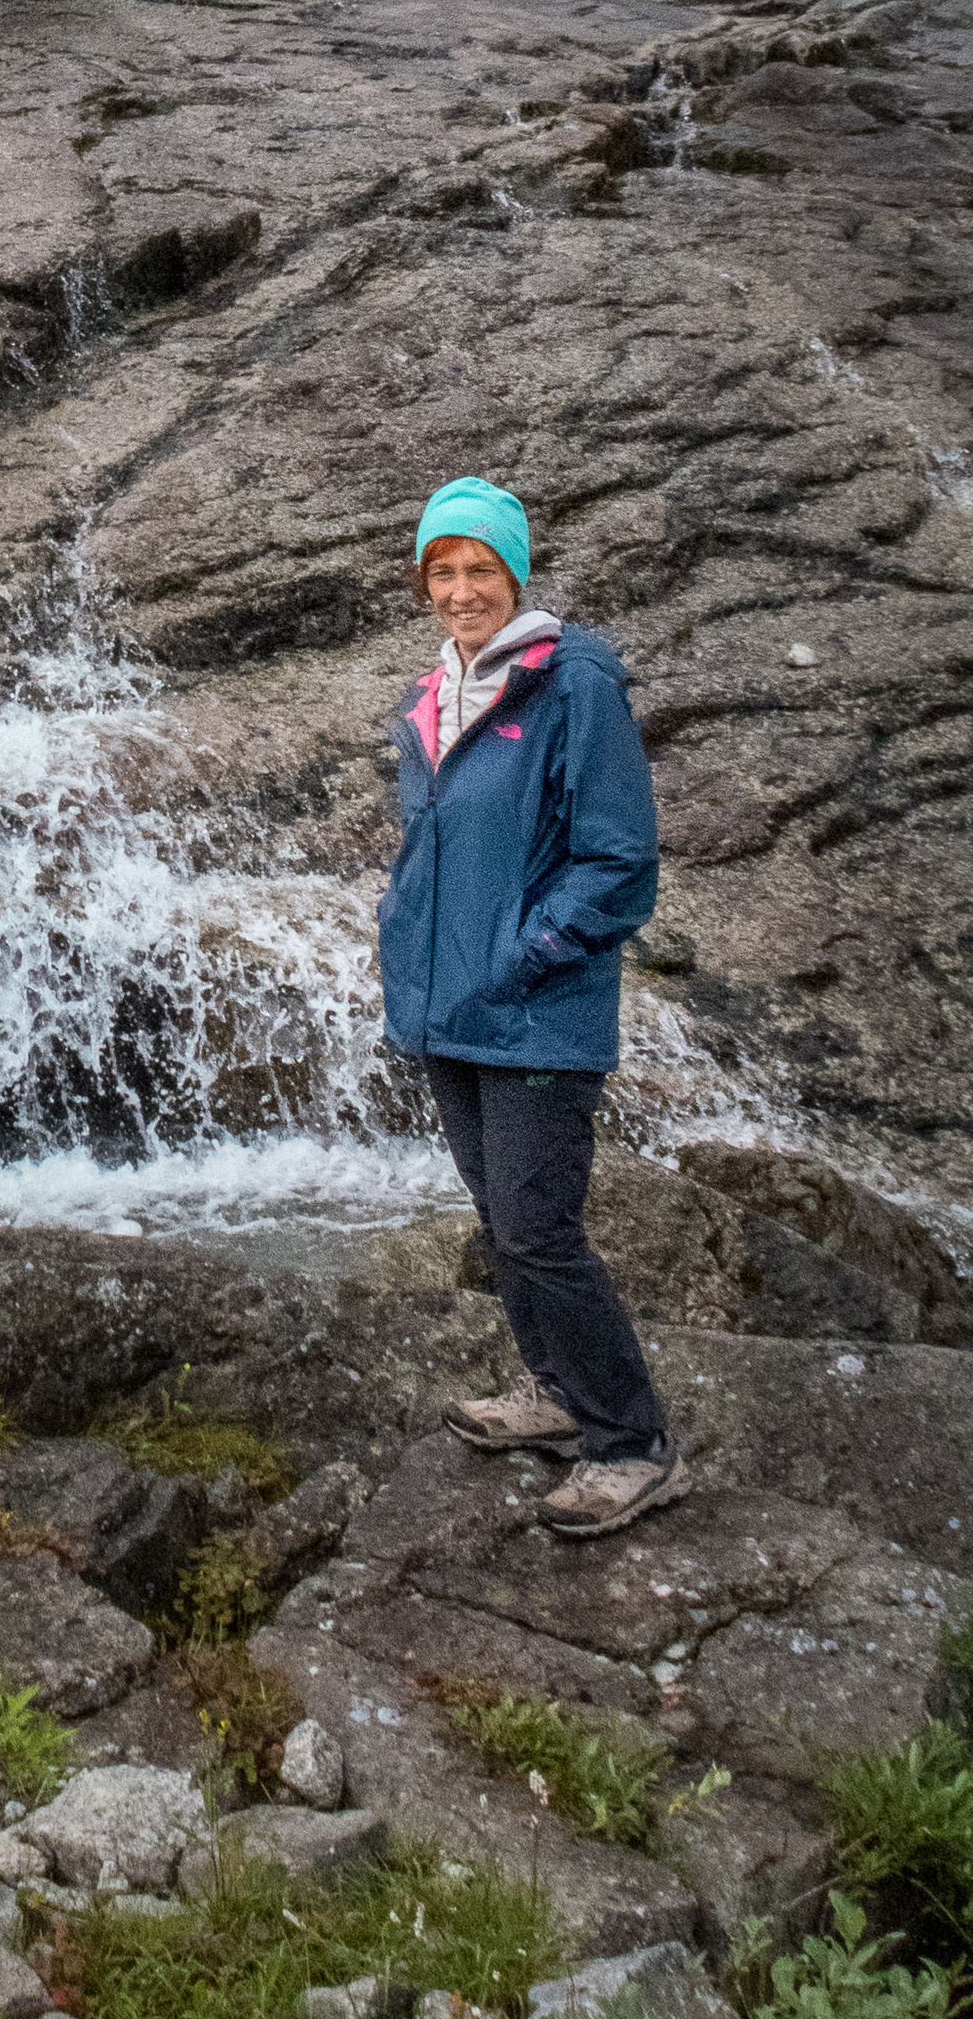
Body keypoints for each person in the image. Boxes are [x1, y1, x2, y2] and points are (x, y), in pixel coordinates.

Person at [377, 474, 686, 1536]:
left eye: (480, 570)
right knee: (501, 1224)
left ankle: (630, 1441)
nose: (462, 590)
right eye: (443, 571)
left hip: (534, 1008)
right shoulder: (430, 698)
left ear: (514, 572)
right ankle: (555, 1391)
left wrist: (527, 954)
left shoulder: (572, 682)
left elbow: (617, 858)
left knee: (538, 1227)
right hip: (447, 1008)